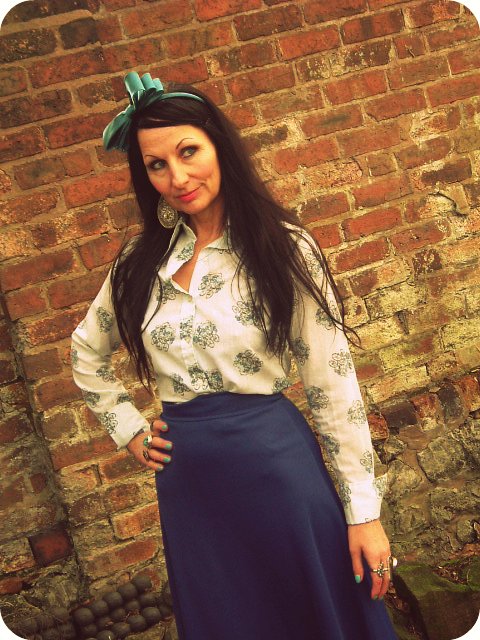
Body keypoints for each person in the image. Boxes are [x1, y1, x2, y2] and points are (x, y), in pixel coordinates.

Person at [71, 71, 398, 640]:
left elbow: (333, 385)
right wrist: (128, 429)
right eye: (156, 165)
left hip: (277, 469)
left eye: (188, 152)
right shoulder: (139, 263)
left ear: (218, 145)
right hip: (191, 488)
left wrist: (363, 515)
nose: (177, 177)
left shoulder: (282, 247)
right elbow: (86, 352)